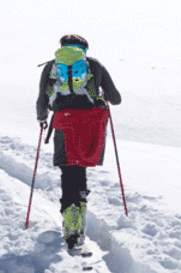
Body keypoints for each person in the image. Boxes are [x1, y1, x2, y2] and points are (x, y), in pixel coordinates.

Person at [37, 34, 121, 252]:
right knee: (80, 168)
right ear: (85, 48)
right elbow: (116, 98)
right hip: (89, 125)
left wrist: (42, 118)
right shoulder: (94, 65)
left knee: (68, 171)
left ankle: (70, 223)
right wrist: (102, 93)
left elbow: (42, 99)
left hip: (63, 123)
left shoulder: (52, 66)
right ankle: (79, 219)